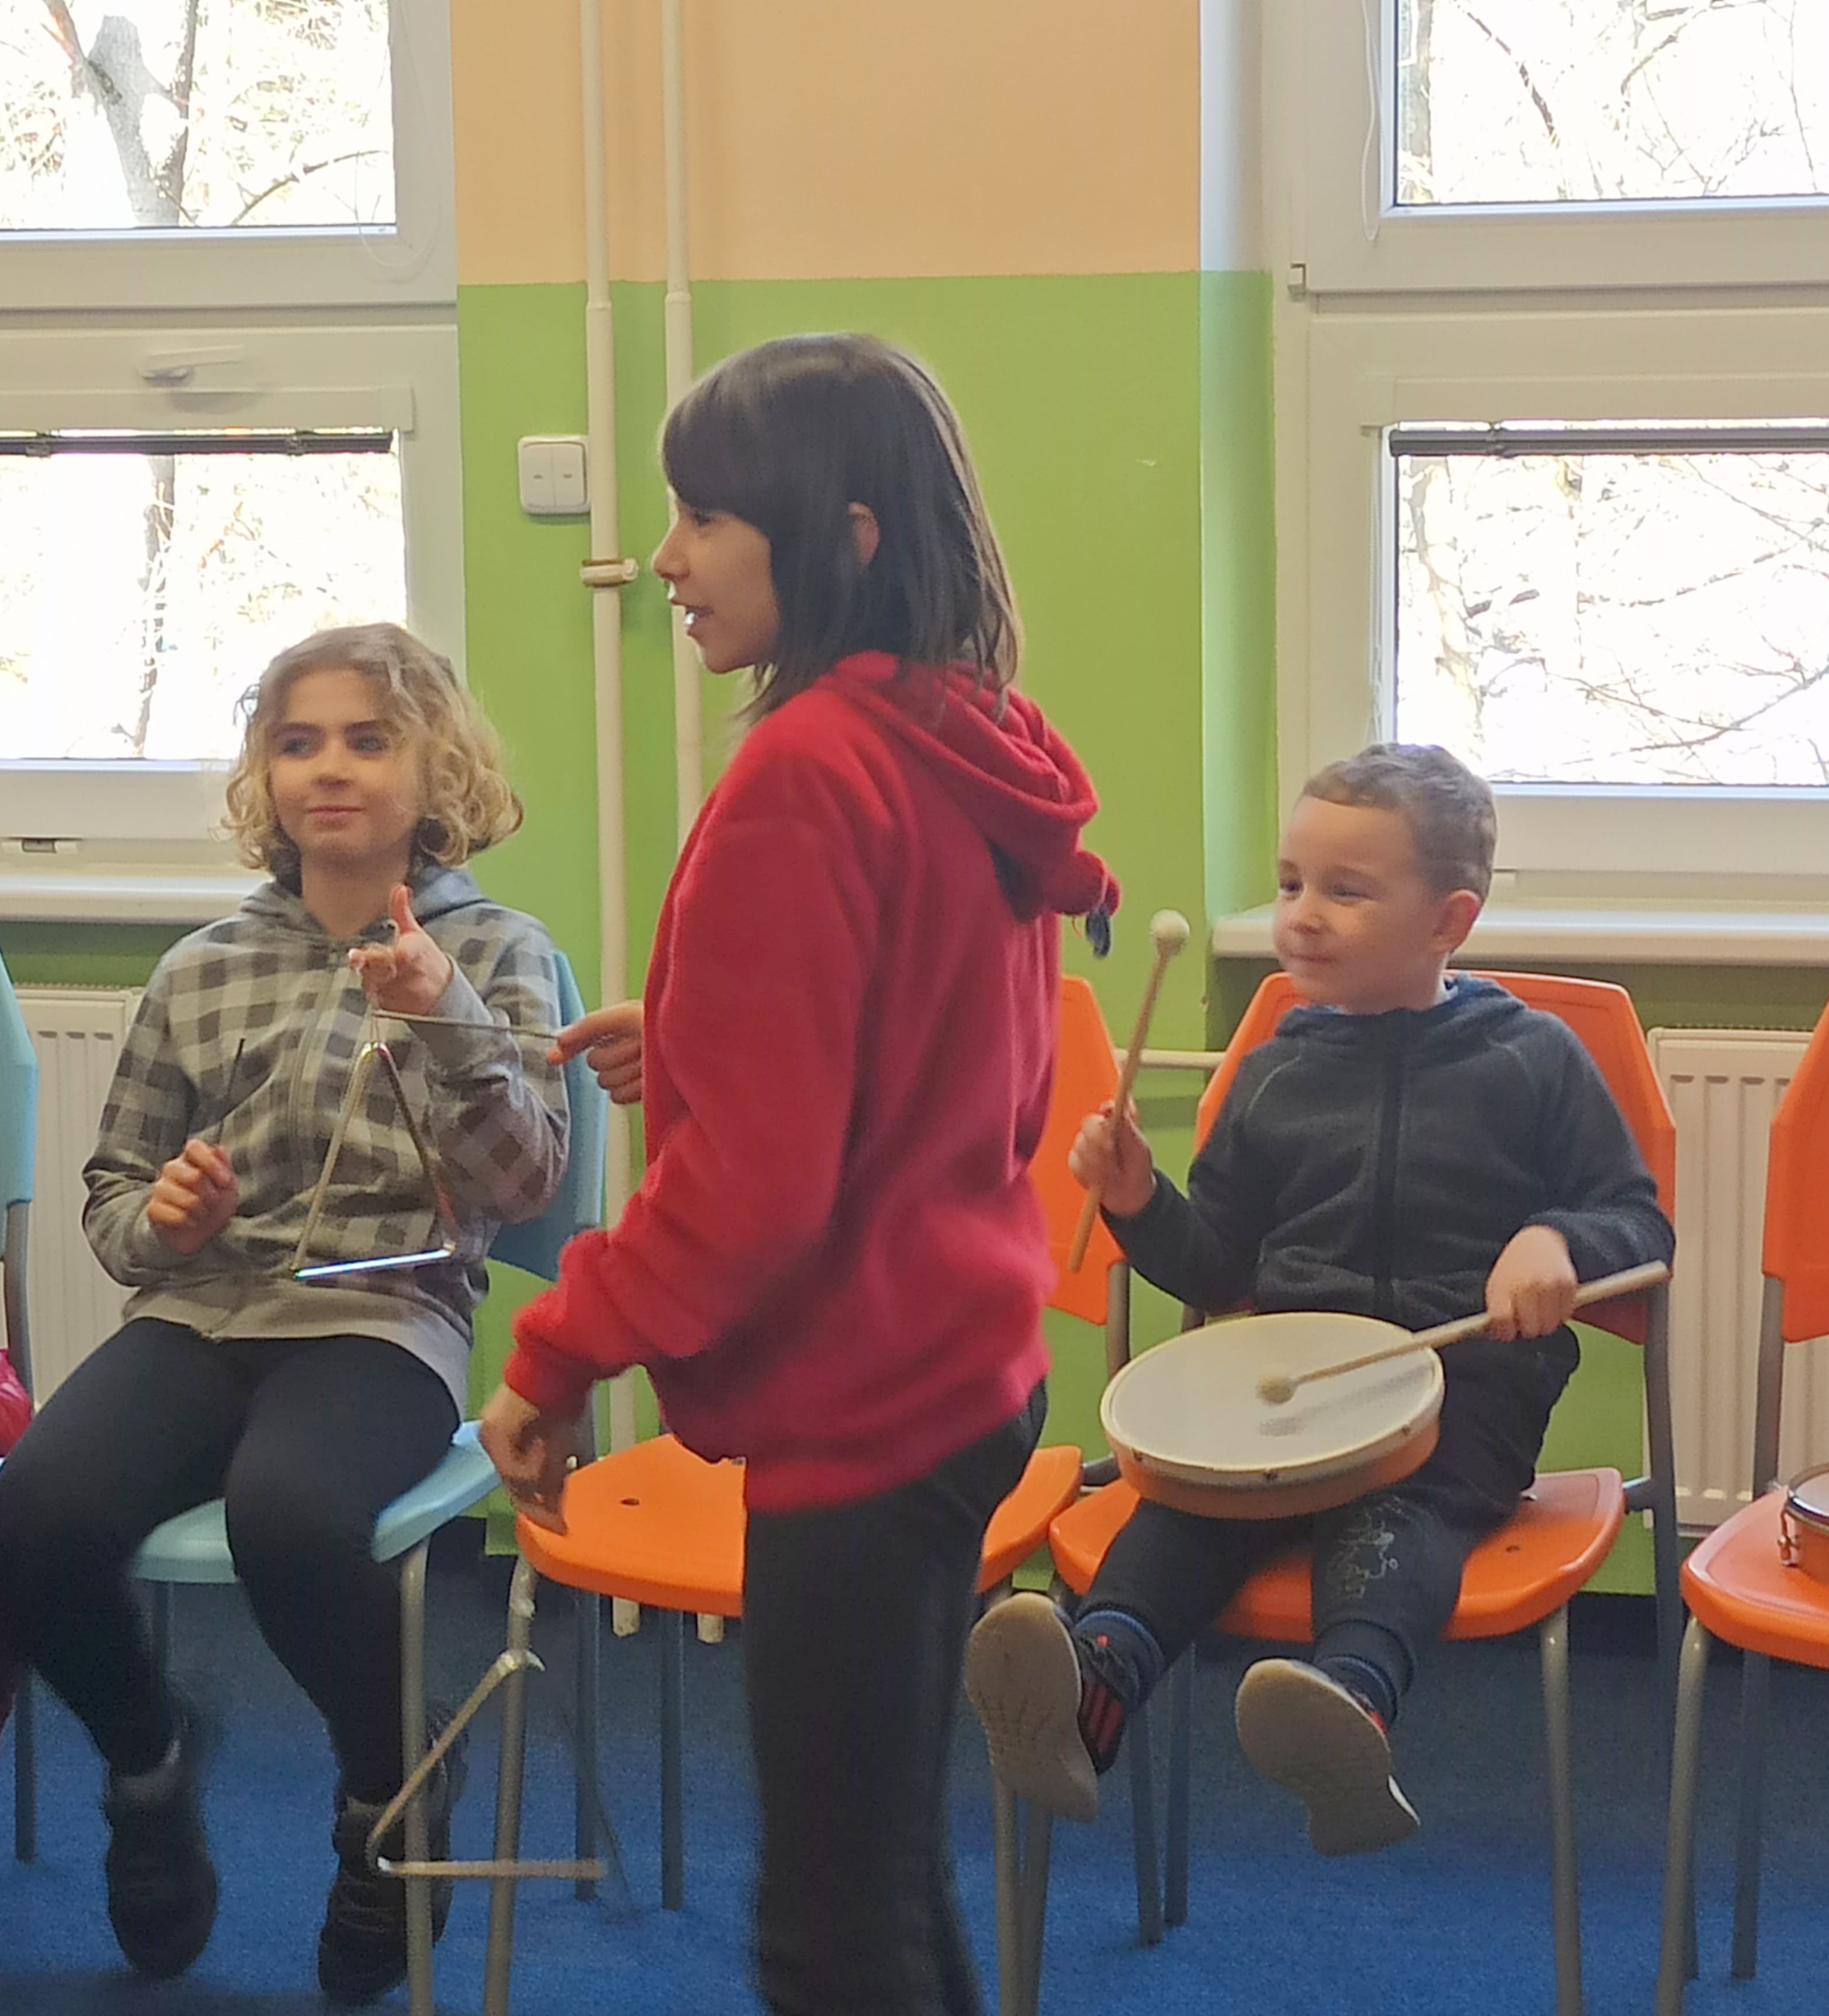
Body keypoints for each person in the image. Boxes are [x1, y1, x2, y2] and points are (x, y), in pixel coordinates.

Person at [477, 332, 1119, 2016]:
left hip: (865, 1402)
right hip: (969, 1367)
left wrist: (556, 1353)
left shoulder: (805, 771)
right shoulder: (964, 729)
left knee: (828, 1929)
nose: (663, 560)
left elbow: (756, 1195)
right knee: (884, 1871)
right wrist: (701, 1031)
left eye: (704, 519)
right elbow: (969, 1062)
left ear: (842, 538)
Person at [0, 621, 567, 2004]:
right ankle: (149, 1762)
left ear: (438, 768)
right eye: (298, 742)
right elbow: (113, 1197)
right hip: (200, 1312)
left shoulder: (496, 948)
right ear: (264, 776)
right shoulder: (201, 965)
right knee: (28, 1517)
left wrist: (447, 1015)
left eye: (368, 738)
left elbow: (524, 1180)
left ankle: (387, 1790)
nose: (329, 768)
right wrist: (165, 1217)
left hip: (383, 1317)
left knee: (290, 1513)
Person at [966, 743, 1673, 1857]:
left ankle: (1349, 1712)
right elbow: (1216, 1270)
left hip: (1461, 1397)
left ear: (1448, 920)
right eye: (1292, 883)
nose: (1302, 915)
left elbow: (1637, 1221)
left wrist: (1557, 1242)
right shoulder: (1273, 1073)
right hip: (1288, 1391)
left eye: (1346, 891)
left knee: (1394, 1521)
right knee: (1189, 1511)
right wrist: (1140, 1200)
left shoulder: (1532, 1059)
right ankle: (1094, 1686)